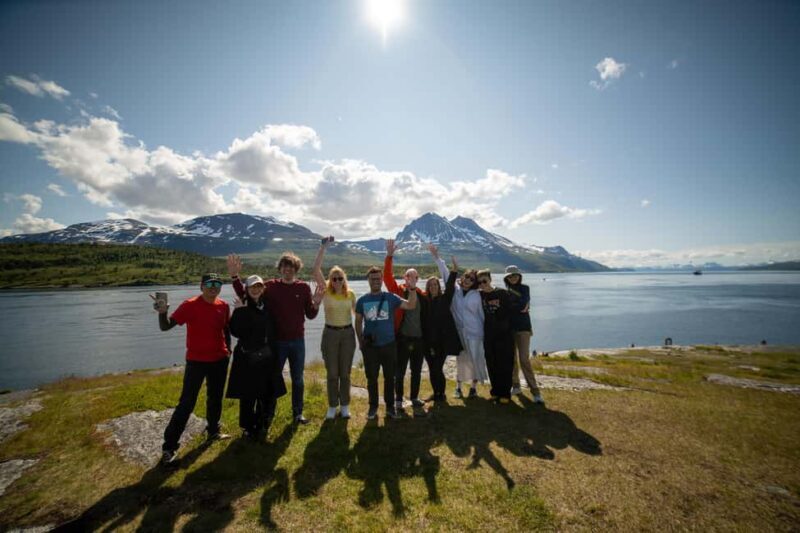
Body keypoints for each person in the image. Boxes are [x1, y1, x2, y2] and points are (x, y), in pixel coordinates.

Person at [228, 252, 324, 425]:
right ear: (280, 269)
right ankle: (268, 414)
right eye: (284, 267)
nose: (288, 270)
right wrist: (235, 277)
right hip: (277, 342)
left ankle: (297, 413)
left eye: (291, 267)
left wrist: (316, 304)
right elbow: (248, 292)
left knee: (298, 379)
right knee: (272, 378)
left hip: (297, 341)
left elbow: (310, 315)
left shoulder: (303, 288)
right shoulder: (270, 286)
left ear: (296, 269)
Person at [151, 273, 231, 465]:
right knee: (187, 403)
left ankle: (213, 431)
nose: (214, 287)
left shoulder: (224, 306)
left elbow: (226, 330)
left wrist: (228, 351)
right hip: (196, 361)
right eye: (210, 284)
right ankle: (169, 447)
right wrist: (162, 312)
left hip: (219, 360)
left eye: (217, 283)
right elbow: (166, 326)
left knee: (215, 398)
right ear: (201, 286)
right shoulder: (190, 305)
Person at [226, 275, 288, 440]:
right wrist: (239, 312)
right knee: (248, 395)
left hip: (266, 356)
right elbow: (236, 331)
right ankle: (247, 427)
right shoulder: (242, 305)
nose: (256, 289)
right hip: (247, 357)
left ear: (263, 289)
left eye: (259, 286)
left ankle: (262, 423)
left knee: (267, 393)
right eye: (252, 287)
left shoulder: (266, 305)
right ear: (247, 289)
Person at [355, 265, 418, 420]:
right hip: (370, 347)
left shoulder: (391, 297)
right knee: (372, 378)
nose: (376, 281)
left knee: (390, 377)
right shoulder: (362, 300)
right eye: (372, 278)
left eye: (378, 278)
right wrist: (360, 341)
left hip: (389, 345)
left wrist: (412, 289)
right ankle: (373, 407)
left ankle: (390, 408)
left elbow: (411, 305)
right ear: (368, 280)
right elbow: (358, 322)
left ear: (382, 279)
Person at [312, 237, 357, 420]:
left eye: (340, 278)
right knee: (332, 372)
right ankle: (332, 405)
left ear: (344, 279)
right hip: (330, 334)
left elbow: (357, 314)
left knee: (345, 372)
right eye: (334, 278)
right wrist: (323, 247)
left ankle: (345, 405)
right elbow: (315, 270)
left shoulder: (351, 294)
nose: (337, 280)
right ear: (330, 280)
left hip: (347, 334)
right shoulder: (326, 291)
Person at [383, 239, 427, 414]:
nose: (412, 278)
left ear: (417, 279)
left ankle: (414, 397)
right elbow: (387, 277)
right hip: (401, 338)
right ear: (405, 278)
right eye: (409, 276)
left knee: (416, 371)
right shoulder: (397, 291)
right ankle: (399, 399)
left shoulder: (422, 295)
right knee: (399, 371)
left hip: (419, 340)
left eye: (415, 276)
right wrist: (389, 256)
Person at [435, 255, 487, 398]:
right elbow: (445, 273)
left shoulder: (477, 295)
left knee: (476, 360)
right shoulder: (454, 289)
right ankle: (458, 388)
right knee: (461, 360)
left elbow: (482, 314)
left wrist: (485, 332)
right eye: (466, 276)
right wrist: (437, 258)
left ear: (474, 282)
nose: (467, 280)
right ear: (462, 277)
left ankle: (473, 388)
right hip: (459, 332)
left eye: (471, 279)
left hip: (475, 333)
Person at [423, 245, 463, 402]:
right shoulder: (425, 302)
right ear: (427, 288)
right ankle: (436, 393)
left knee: (438, 367)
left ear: (438, 287)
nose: (433, 287)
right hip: (428, 342)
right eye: (430, 285)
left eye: (435, 285)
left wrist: (454, 269)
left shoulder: (445, 299)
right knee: (432, 369)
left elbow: (451, 285)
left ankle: (442, 394)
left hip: (443, 341)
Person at [503, 265, 545, 404]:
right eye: (510, 276)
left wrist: (516, 307)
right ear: (507, 278)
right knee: (512, 359)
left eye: (515, 275)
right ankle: (516, 386)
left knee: (524, 359)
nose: (513, 278)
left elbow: (522, 305)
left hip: (523, 328)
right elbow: (518, 307)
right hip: (510, 329)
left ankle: (535, 391)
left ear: (519, 276)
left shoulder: (525, 288)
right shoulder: (505, 292)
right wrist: (519, 307)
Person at [476, 269, 516, 403]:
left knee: (505, 364)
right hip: (489, 334)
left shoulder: (502, 293)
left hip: (504, 335)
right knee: (491, 363)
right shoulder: (479, 296)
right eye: (480, 282)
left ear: (490, 279)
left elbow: (512, 311)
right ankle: (495, 391)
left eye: (484, 281)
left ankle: (505, 393)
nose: (482, 284)